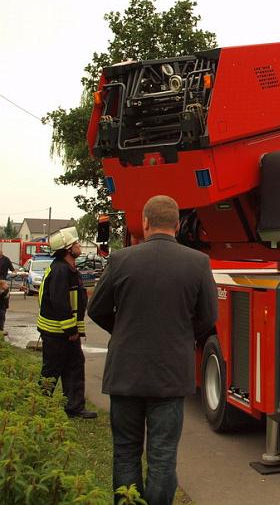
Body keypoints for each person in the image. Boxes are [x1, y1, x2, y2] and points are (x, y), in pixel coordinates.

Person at [89, 195, 218, 505]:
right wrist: (180, 338)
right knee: (162, 457)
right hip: (170, 375)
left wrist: (122, 332)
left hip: (125, 374)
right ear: (177, 225)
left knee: (125, 452)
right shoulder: (198, 263)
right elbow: (208, 318)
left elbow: (96, 309)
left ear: (144, 222)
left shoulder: (121, 260)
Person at [37, 226, 96, 418]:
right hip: (57, 333)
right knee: (52, 370)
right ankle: (38, 408)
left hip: (65, 332)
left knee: (74, 366)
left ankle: (74, 407)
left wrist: (75, 330)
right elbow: (60, 302)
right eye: (75, 244)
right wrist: (70, 329)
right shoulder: (61, 271)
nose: (79, 246)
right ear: (67, 249)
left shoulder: (67, 269)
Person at [0, 246, 16, 333]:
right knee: (2, 307)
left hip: (4, 283)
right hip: (3, 284)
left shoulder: (6, 260)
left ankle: (1, 328)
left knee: (3, 306)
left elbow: (13, 270)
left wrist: (12, 275)